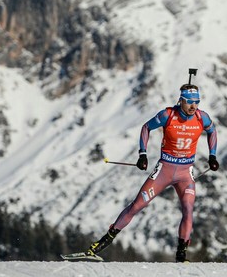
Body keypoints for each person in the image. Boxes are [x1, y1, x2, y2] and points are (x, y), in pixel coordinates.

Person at [86, 83, 219, 262]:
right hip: (164, 170)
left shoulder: (202, 117)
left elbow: (212, 132)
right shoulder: (168, 115)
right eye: (189, 102)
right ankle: (102, 243)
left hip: (185, 173)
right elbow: (146, 128)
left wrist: (212, 156)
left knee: (188, 210)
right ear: (181, 101)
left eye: (197, 102)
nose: (193, 106)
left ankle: (181, 255)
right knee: (136, 206)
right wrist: (142, 154)